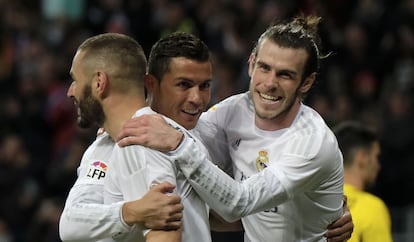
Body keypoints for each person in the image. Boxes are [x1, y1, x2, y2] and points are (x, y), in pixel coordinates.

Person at [118, 15, 352, 241]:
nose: (270, 83)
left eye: (285, 75)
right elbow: (181, 130)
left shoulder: (312, 143)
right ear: (251, 64)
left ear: (307, 82)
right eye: (264, 68)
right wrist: (126, 123)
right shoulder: (234, 112)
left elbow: (238, 203)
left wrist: (179, 145)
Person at [60, 32, 200, 242]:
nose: (71, 91)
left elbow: (165, 234)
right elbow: (70, 224)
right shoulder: (103, 146)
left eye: (75, 80)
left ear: (99, 82)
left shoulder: (146, 142)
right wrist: (130, 211)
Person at [332, 121, 392, 242]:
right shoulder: (372, 208)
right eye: (376, 157)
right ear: (362, 158)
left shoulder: (316, 202)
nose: (378, 165)